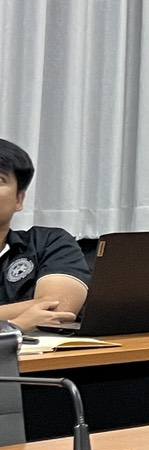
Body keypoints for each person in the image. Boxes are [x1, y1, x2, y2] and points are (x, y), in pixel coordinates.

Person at [0, 140, 89, 331]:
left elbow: (58, 309)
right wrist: (16, 324)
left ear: (19, 199)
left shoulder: (48, 243)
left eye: (0, 180)